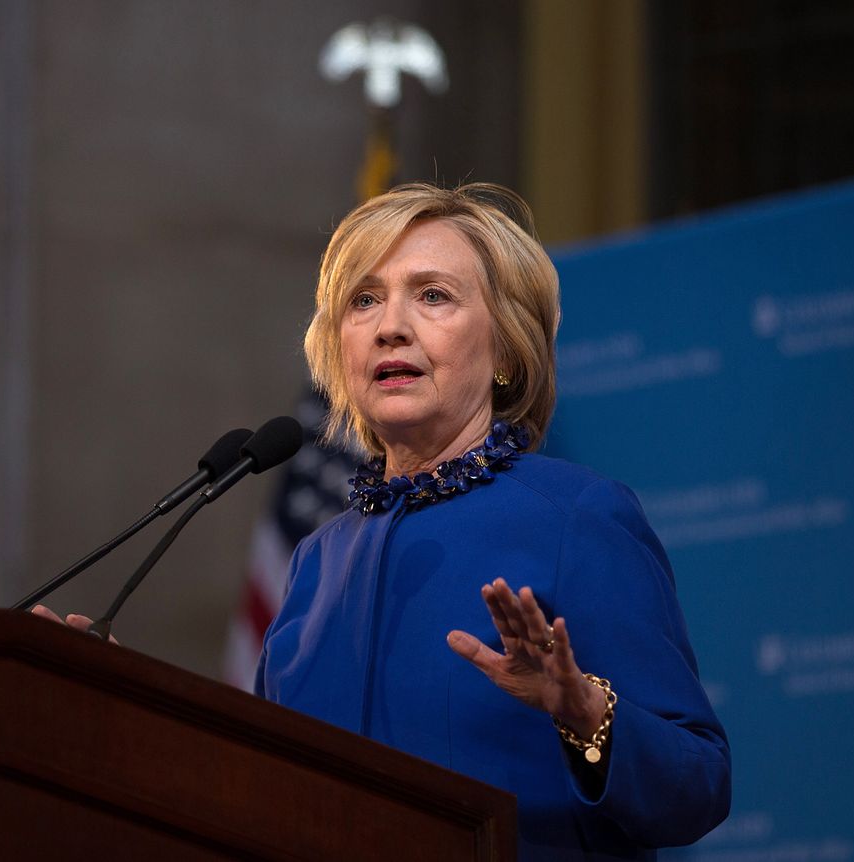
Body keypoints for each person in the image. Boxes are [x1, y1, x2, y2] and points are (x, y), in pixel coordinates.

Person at [254, 182, 730, 861]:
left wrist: (587, 714)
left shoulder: (577, 518)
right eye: (364, 299)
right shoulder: (315, 562)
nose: (390, 325)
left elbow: (700, 784)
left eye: (433, 295)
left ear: (506, 349)